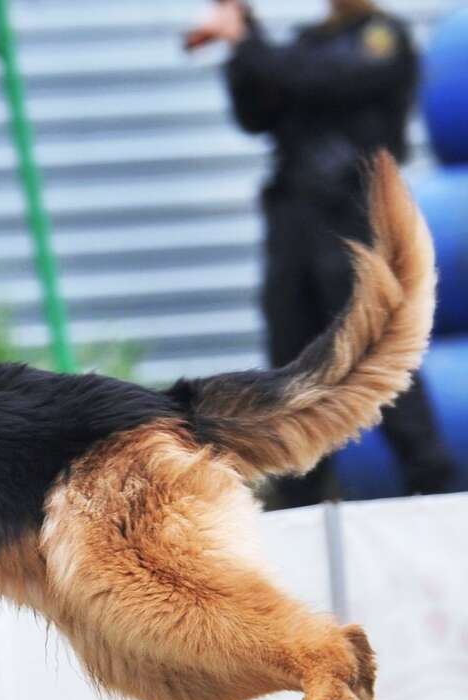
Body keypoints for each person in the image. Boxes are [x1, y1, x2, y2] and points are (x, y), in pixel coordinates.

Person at [189, 0, 459, 505]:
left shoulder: (381, 37)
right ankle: (299, 508)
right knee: (291, 368)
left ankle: (436, 494)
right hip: (295, 222)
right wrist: (241, 39)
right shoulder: (305, 42)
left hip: (356, 218)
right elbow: (257, 111)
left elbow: (319, 79)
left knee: (381, 355)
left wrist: (249, 39)